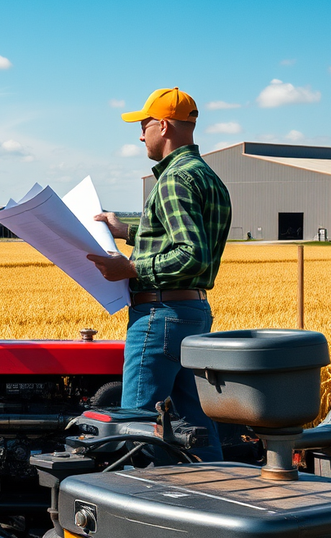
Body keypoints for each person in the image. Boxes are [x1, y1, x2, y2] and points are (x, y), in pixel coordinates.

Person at [86, 87, 231, 462]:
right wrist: (127, 232)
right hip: (192, 314)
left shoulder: (172, 180)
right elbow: (182, 237)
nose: (140, 134)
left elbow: (191, 254)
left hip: (159, 316)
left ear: (163, 126)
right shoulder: (206, 176)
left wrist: (131, 266)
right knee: (195, 425)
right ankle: (217, 499)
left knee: (140, 427)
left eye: (144, 124)